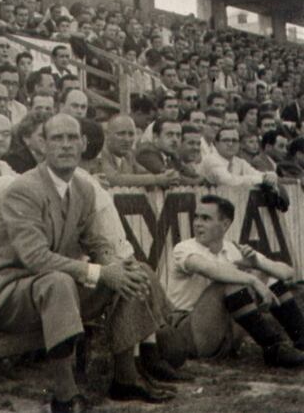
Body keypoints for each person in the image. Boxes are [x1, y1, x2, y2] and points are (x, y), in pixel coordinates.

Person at [0, 114, 177, 412]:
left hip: (48, 291)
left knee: (134, 271)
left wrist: (112, 266)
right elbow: (36, 258)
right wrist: (101, 272)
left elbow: (97, 242)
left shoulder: (81, 188)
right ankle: (65, 396)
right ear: (42, 144)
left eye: (72, 138)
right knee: (59, 282)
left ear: (83, 144)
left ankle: (126, 379)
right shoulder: (24, 189)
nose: (65, 146)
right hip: (6, 296)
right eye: (57, 138)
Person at [158, 194, 304, 367]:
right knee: (231, 282)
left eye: (206, 218)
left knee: (264, 275)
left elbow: (287, 273)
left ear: (225, 224)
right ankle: (273, 347)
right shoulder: (184, 248)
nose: (197, 223)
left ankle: (301, 337)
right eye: (196, 217)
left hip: (223, 330)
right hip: (187, 332)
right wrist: (252, 280)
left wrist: (258, 264)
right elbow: (210, 270)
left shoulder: (232, 248)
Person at [101, 115, 180, 188]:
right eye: (121, 134)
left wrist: (168, 176)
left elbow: (144, 173)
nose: (127, 139)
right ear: (107, 135)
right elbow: (113, 179)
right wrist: (157, 179)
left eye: (131, 134)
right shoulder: (101, 153)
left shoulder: (128, 155)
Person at [200, 127, 278, 188]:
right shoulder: (210, 159)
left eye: (234, 140)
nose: (230, 144)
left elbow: (257, 173)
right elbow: (228, 181)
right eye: (225, 140)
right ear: (216, 143)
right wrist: (263, 179)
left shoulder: (239, 162)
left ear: (239, 144)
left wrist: (269, 175)